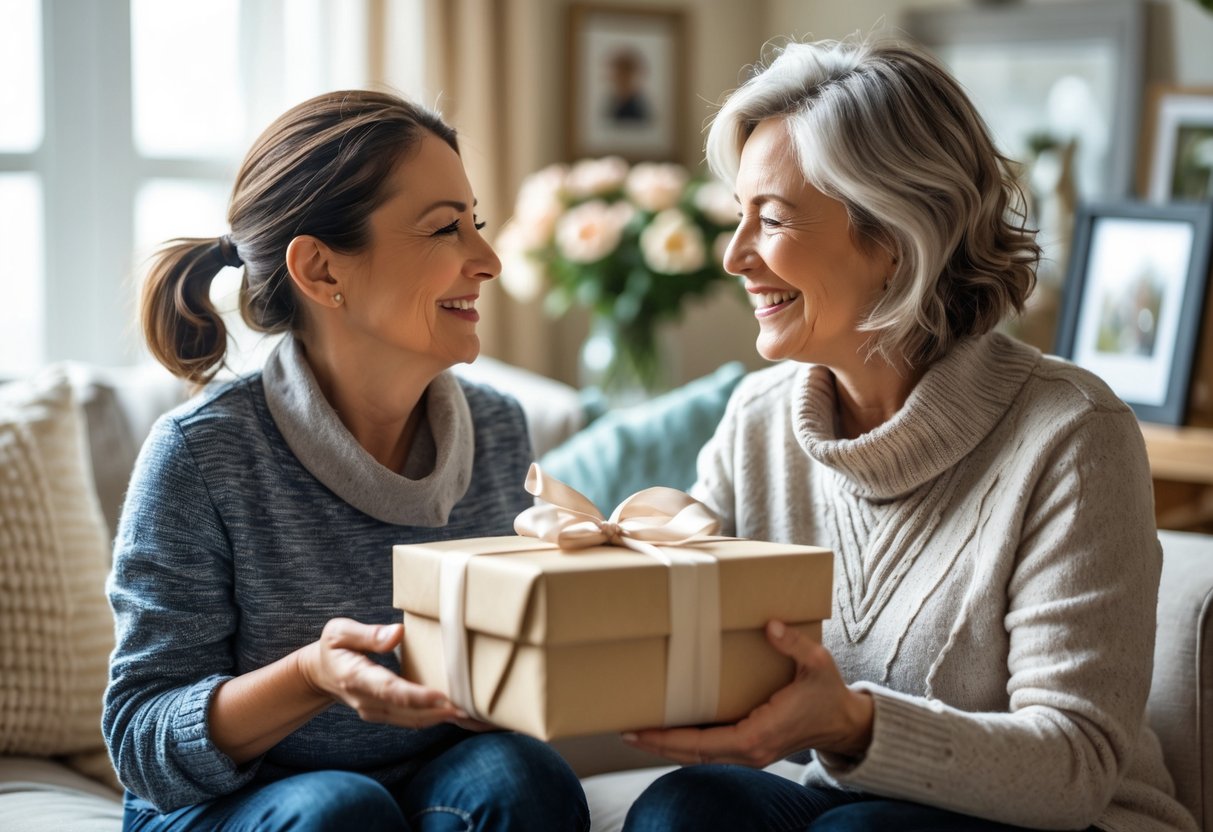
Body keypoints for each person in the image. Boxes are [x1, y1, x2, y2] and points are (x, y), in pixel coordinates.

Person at [618, 38, 1199, 832]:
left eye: (773, 220)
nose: (734, 257)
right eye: (737, 218)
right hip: (845, 805)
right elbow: (679, 600)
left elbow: (1073, 767)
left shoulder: (1070, 435)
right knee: (686, 807)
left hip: (1069, 820)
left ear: (893, 239)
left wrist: (853, 725)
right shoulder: (757, 420)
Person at [103, 90, 589, 832]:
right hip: (225, 805)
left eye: (476, 223)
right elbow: (141, 740)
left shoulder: (496, 428)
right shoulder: (200, 455)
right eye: (445, 228)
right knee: (341, 812)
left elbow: (497, 681)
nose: (487, 260)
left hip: (423, 778)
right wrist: (310, 676)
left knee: (527, 779)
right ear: (322, 270)